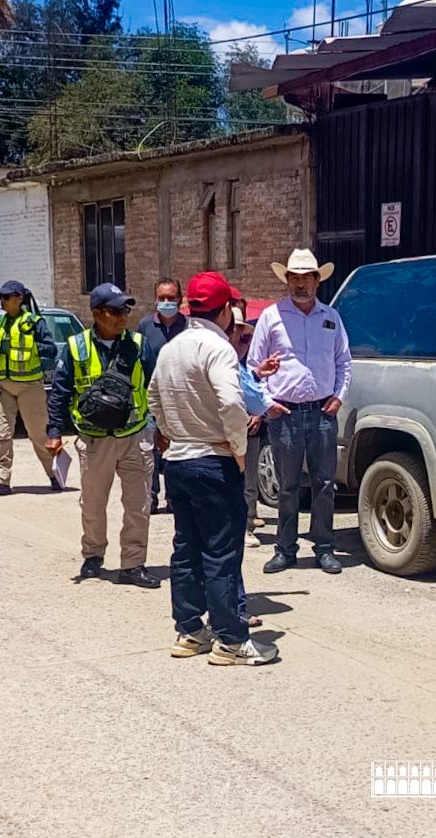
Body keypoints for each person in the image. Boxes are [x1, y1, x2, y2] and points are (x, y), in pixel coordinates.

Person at [149, 271, 278, 666]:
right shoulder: (217, 348)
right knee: (222, 553)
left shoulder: (173, 347)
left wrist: (172, 433)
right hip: (213, 460)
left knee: (186, 549)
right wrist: (238, 449)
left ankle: (189, 630)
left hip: (179, 462)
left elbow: (154, 397)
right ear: (225, 311)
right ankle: (231, 639)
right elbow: (231, 402)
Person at [46, 283, 159, 588]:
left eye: (126, 309)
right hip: (95, 440)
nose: (123, 316)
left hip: (135, 436)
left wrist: (160, 429)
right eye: (115, 310)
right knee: (94, 504)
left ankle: (133, 564)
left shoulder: (137, 344)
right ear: (97, 313)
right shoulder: (76, 347)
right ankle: (93, 556)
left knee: (138, 504)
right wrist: (54, 431)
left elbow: (155, 387)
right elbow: (60, 392)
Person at [247, 248, 351, 575]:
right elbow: (253, 366)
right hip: (286, 413)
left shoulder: (330, 317)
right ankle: (285, 548)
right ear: (287, 280)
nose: (301, 284)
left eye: (307, 277)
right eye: (295, 277)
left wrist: (338, 397)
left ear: (317, 280)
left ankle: (323, 548)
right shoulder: (272, 317)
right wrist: (266, 403)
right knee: (288, 485)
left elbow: (343, 362)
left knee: (323, 484)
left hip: (322, 412)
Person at [0, 280, 60, 498]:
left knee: (38, 435)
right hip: (3, 387)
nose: (2, 302)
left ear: (19, 298)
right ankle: (1, 481)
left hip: (29, 387)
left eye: (6, 297)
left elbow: (51, 349)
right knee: (1, 435)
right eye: (0, 298)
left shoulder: (34, 323)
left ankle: (56, 474)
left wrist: (30, 346)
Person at [136, 278, 187, 515]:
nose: (166, 302)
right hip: (151, 400)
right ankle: (151, 496)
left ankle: (175, 497)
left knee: (177, 451)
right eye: (162, 298)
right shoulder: (145, 327)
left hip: (181, 401)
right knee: (151, 450)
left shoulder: (188, 326)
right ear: (155, 299)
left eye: (171, 298)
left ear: (180, 300)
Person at [231, 305, 272, 548]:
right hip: (223, 433)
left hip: (249, 429)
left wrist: (258, 415)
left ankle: (246, 526)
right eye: (236, 334)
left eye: (245, 336)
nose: (242, 341)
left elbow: (256, 391)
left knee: (249, 481)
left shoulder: (247, 361)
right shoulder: (218, 358)